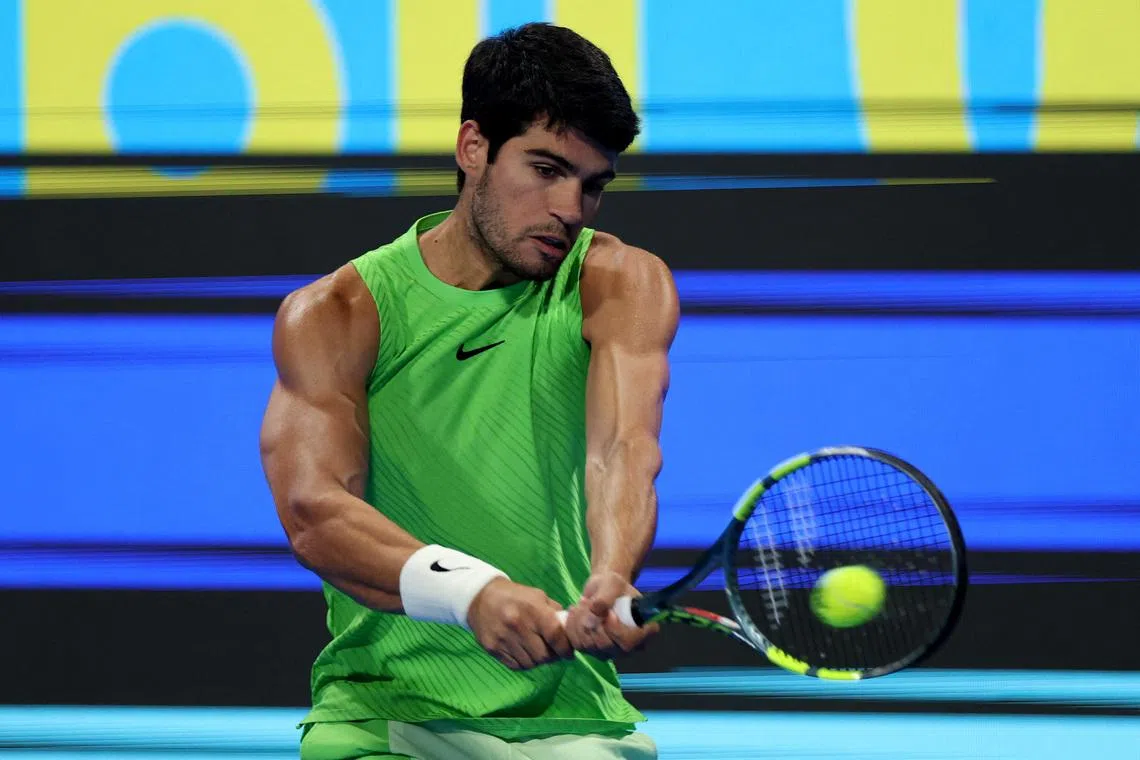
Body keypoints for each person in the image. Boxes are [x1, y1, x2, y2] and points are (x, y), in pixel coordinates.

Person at [259, 21, 679, 760]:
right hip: (386, 713)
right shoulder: (337, 313)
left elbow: (623, 450)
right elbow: (315, 514)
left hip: (571, 714)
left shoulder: (619, 281)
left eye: (592, 185)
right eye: (546, 170)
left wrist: (612, 573)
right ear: (473, 148)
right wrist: (472, 593)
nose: (571, 210)